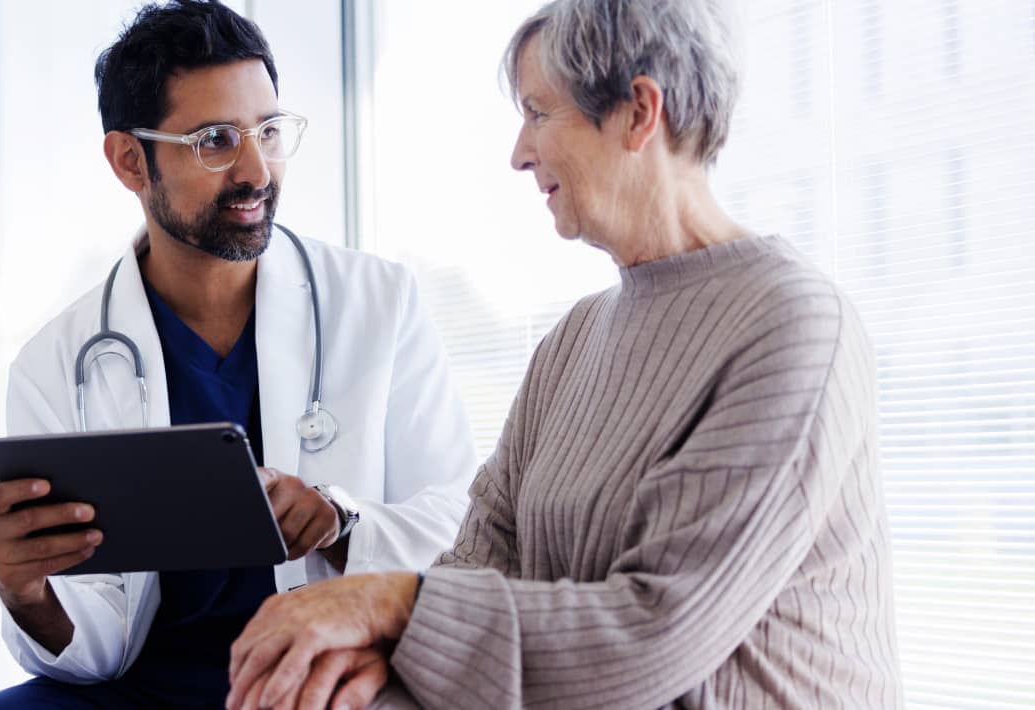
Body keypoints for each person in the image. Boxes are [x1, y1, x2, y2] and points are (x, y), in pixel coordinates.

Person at [225, 0, 904, 708]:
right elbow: (476, 569)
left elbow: (654, 631)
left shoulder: (792, 326)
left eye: (539, 112)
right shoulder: (575, 340)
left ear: (639, 111)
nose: (519, 151)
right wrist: (372, 671)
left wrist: (384, 607)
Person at [0, 2, 476, 707]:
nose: (256, 170)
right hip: (143, 686)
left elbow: (462, 528)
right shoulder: (57, 363)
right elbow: (95, 648)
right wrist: (24, 589)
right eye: (214, 140)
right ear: (128, 161)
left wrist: (340, 520)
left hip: (323, 671)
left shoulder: (379, 303)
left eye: (268, 129)